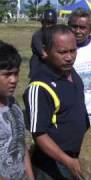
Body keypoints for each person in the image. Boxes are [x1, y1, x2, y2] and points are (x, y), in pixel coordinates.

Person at [23, 25, 89, 179]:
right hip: (53, 166)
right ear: (45, 51)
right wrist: (68, 162)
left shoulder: (72, 73)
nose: (69, 57)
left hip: (77, 159)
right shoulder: (39, 87)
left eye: (73, 51)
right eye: (62, 52)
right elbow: (39, 134)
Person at [0, 41, 34, 180]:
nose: (14, 80)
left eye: (16, 73)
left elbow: (21, 145)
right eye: (7, 74)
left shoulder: (13, 104)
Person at [29, 9, 57, 78]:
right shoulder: (37, 35)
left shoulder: (56, 35)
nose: (49, 25)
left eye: (52, 23)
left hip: (51, 63)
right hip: (38, 63)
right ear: (42, 23)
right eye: (47, 23)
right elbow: (44, 54)